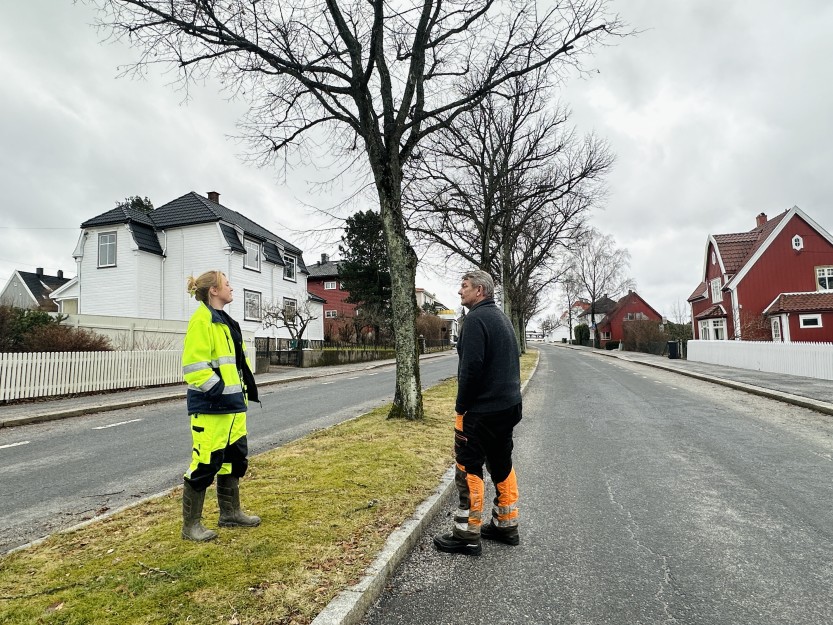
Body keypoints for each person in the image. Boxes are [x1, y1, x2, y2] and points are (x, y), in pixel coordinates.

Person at [433, 269, 522, 556]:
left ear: (480, 291)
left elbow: (469, 370)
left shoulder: (474, 321)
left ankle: (467, 534)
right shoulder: (501, 318)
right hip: (508, 406)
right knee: (501, 463)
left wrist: (461, 410)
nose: (460, 292)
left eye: (464, 286)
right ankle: (506, 525)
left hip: (481, 411)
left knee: (468, 467)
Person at [180, 270, 261, 541]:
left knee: (233, 461)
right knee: (205, 463)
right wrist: (218, 391)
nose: (231, 288)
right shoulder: (201, 320)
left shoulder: (225, 321)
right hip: (212, 407)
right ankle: (191, 527)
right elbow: (194, 367)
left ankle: (230, 514)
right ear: (213, 290)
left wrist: (241, 393)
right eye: (227, 284)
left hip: (234, 406)